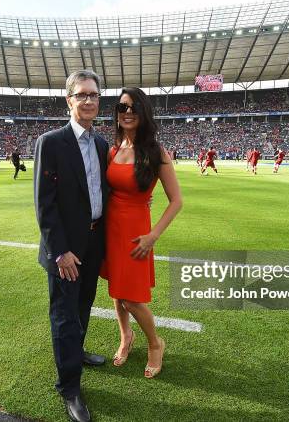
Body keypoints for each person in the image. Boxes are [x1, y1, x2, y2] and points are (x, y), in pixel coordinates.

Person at [34, 70, 109, 422]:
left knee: (83, 307)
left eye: (94, 94)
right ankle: (69, 388)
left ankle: (75, 354)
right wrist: (60, 251)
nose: (89, 100)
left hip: (94, 242)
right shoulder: (51, 142)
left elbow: (104, 192)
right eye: (82, 95)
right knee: (64, 318)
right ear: (69, 100)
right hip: (66, 250)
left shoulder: (101, 144)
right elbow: (44, 204)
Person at [100, 87, 182, 380]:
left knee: (133, 298)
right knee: (116, 291)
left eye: (134, 107)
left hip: (137, 232)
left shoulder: (156, 152)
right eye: (122, 108)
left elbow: (177, 201)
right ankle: (125, 336)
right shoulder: (112, 149)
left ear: (143, 112)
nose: (128, 112)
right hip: (111, 229)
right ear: (117, 114)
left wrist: (153, 236)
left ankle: (155, 344)